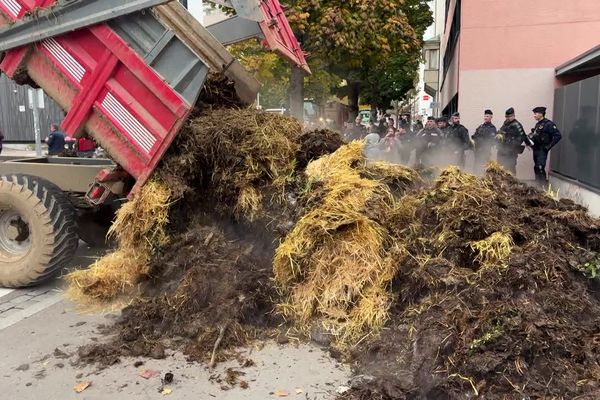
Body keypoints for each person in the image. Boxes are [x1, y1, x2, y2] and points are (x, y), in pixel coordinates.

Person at [529, 106, 562, 183]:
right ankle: (538, 186)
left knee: (540, 168)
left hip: (542, 149)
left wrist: (548, 146)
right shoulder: (538, 125)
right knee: (536, 168)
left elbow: (558, 136)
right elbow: (536, 136)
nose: (534, 115)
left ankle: (543, 187)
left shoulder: (548, 124)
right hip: (536, 148)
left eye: (535, 113)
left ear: (541, 114)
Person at [496, 107, 527, 175]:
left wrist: (513, 144)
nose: (507, 118)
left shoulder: (517, 125)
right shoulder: (506, 123)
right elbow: (500, 131)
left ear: (513, 116)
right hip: (502, 149)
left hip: (511, 151)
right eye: (506, 117)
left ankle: (512, 184)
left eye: (509, 117)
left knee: (510, 168)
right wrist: (499, 135)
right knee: (500, 167)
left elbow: (522, 137)